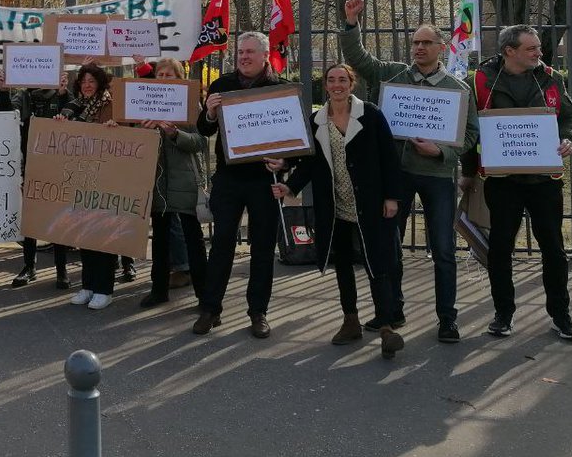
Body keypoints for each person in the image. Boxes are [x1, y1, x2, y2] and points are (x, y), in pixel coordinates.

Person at [340, 0, 479, 343]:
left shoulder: (458, 89)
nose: (418, 47)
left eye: (425, 42)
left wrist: (443, 153)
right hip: (398, 176)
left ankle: (447, 318)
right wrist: (351, 25)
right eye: (415, 42)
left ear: (441, 47)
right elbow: (358, 59)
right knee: (391, 245)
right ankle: (392, 311)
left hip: (437, 177)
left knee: (444, 250)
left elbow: (471, 133)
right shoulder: (395, 75)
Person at [272, 64, 406, 359]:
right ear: (326, 85)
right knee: (342, 264)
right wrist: (289, 187)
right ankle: (350, 321)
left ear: (351, 84)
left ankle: (386, 328)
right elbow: (307, 162)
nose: (336, 85)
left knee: (377, 264)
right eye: (331, 80)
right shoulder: (317, 120)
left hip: (370, 203)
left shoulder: (370, 115)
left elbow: (389, 157)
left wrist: (392, 197)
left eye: (342, 80)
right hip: (335, 205)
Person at [466, 24, 572, 342]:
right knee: (500, 250)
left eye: (538, 48)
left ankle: (561, 316)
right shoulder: (480, 81)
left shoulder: (551, 77)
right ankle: (503, 314)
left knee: (554, 251)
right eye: (531, 48)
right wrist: (466, 172)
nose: (539, 53)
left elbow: (570, 117)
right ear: (510, 51)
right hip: (502, 182)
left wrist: (569, 138)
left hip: (544, 180)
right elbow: (468, 127)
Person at [193, 32, 285, 338]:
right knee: (221, 246)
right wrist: (209, 112)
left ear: (264, 56)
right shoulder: (222, 86)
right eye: (240, 52)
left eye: (249, 52)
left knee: (262, 248)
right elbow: (203, 130)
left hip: (264, 181)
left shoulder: (280, 89)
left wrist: (285, 163)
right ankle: (210, 309)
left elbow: (295, 140)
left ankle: (258, 312)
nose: (243, 57)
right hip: (229, 179)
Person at [137, 58, 209, 308]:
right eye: (160, 75)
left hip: (184, 180)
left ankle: (204, 297)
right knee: (159, 238)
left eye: (169, 75)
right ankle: (158, 290)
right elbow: (134, 140)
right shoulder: (144, 103)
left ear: (179, 79)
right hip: (156, 180)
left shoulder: (190, 104)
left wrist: (175, 134)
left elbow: (201, 142)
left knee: (193, 239)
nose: (164, 79)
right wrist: (144, 130)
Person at [0, 68, 72, 289]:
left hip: (58, 166)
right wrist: (2, 90)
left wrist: (64, 94)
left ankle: (62, 270)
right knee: (30, 219)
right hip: (31, 164)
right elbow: (7, 114)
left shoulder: (61, 95)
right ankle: (29, 267)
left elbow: (74, 114)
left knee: (58, 218)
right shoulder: (24, 96)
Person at [58, 63, 119, 310]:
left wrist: (115, 128)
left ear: (101, 83)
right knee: (84, 233)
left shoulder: (109, 103)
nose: (87, 85)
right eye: (83, 81)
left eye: (92, 81)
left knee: (102, 233)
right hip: (82, 175)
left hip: (104, 175)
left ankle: (104, 289)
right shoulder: (74, 107)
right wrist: (60, 124)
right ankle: (88, 285)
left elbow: (122, 134)